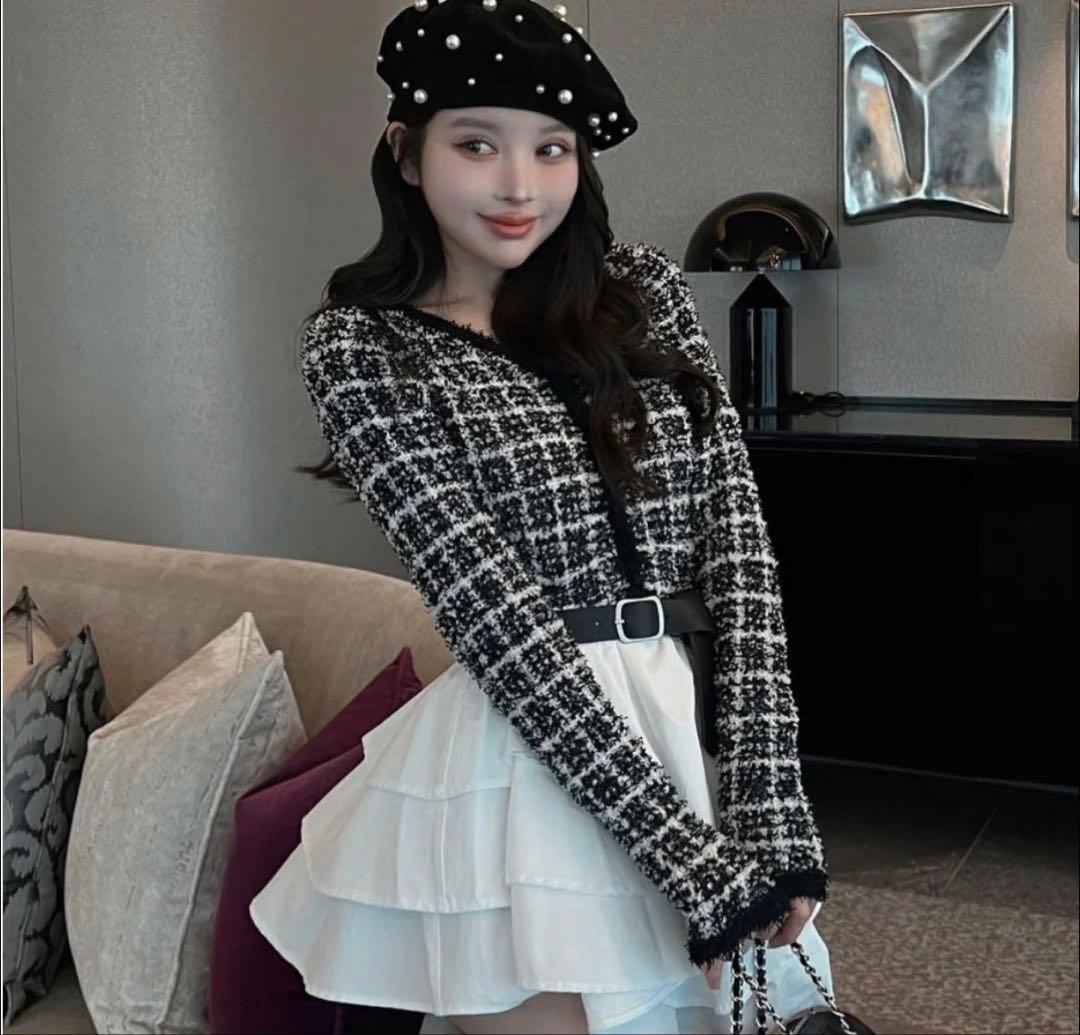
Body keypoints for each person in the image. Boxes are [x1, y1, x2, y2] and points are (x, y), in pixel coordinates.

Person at [250, 1, 835, 1032]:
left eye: (551, 149)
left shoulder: (643, 290)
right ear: (408, 153)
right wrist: (688, 860)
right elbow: (491, 613)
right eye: (477, 144)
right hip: (525, 756)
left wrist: (769, 797)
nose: (520, 185)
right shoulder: (362, 348)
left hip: (684, 717)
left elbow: (738, 547)